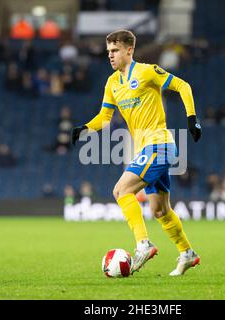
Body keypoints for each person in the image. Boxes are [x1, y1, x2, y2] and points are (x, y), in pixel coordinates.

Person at [71, 30, 202, 276]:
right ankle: (187, 253)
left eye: (115, 50)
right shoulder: (112, 83)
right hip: (149, 149)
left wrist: (192, 118)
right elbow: (105, 117)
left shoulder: (147, 71)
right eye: (108, 50)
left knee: (121, 191)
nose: (110, 55)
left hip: (160, 144)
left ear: (129, 50)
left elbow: (183, 86)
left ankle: (143, 244)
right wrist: (85, 128)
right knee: (160, 210)